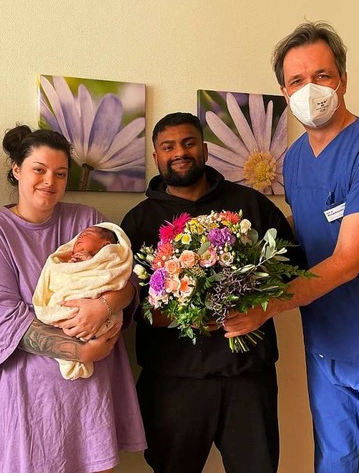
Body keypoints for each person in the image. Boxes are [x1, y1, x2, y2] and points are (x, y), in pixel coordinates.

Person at [225, 21, 359, 473]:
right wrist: (232, 257)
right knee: (335, 465)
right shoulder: (296, 158)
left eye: (321, 76)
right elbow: (305, 235)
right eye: (297, 81)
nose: (310, 89)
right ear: (284, 92)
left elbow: (345, 262)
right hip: (327, 345)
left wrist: (266, 306)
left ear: (342, 80)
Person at [121, 112, 301, 473]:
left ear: (203, 149)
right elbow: (129, 303)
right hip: (173, 380)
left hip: (247, 376)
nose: (179, 153)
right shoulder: (138, 221)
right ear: (155, 157)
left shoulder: (251, 206)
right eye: (168, 146)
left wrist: (260, 306)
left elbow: (294, 274)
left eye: (188, 143)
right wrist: (175, 313)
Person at [0, 125, 146, 473]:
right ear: (17, 170)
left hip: (90, 395)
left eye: (60, 173)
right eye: (39, 170)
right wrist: (80, 350)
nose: (50, 181)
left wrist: (104, 306)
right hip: (29, 401)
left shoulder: (89, 221)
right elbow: (0, 319)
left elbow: (130, 282)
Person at [32, 222, 134, 379]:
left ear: (106, 245)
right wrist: (72, 266)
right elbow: (64, 275)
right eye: (78, 236)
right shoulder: (69, 258)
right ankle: (72, 358)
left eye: (87, 235)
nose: (79, 238)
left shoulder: (106, 261)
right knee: (61, 306)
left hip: (95, 300)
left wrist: (90, 262)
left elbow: (115, 278)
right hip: (71, 301)